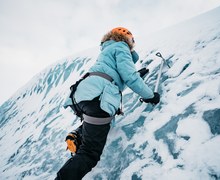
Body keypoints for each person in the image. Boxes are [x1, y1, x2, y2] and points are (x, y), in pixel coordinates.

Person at [55, 27, 160, 179]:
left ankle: (78, 134)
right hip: (97, 98)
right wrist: (150, 96)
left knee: (101, 120)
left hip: (80, 96)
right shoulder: (121, 46)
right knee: (90, 153)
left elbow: (113, 74)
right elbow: (129, 76)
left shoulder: (107, 50)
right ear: (128, 39)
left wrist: (137, 75)